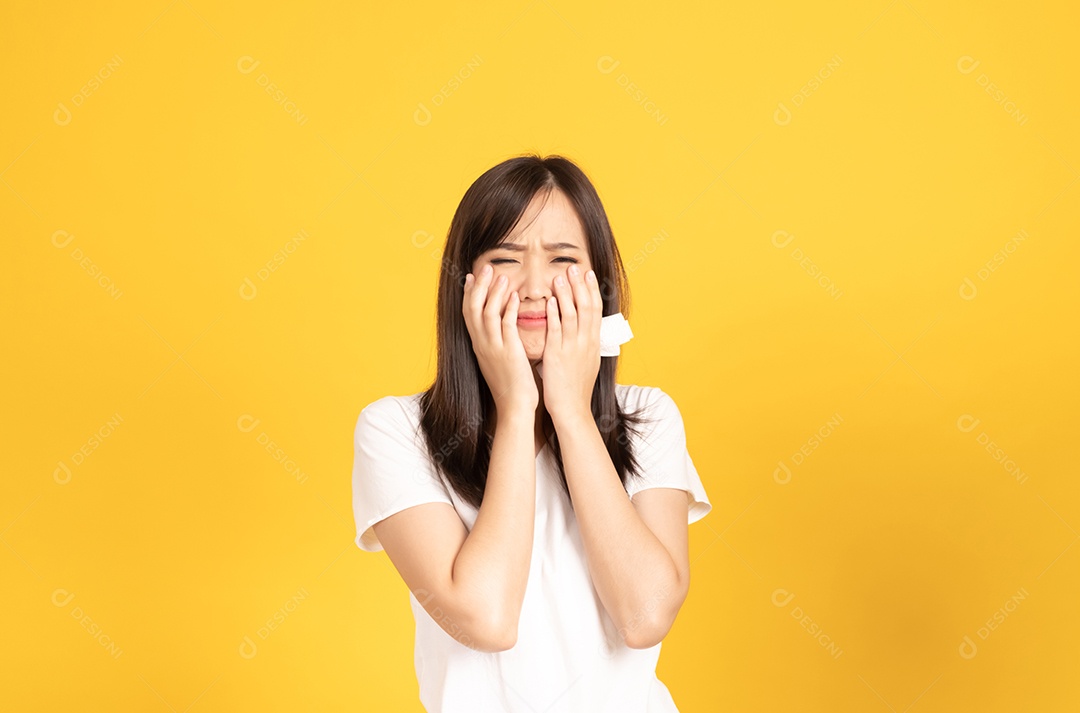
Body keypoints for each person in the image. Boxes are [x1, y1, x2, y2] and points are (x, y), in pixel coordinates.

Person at [352, 153, 712, 712]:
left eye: (563, 258)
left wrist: (570, 411)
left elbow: (644, 618)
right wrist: (518, 405)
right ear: (464, 282)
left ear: (598, 283)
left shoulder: (649, 417)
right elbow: (487, 618)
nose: (534, 286)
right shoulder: (397, 430)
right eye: (505, 258)